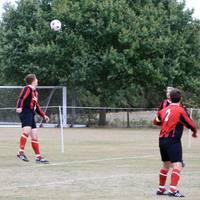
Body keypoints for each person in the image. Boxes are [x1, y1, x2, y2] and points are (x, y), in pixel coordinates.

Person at [153, 88, 198, 197]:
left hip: (162, 140)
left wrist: (165, 123)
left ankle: (161, 189)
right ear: (180, 98)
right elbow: (190, 124)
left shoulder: (163, 110)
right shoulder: (180, 110)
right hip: (172, 140)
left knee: (166, 164)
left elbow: (156, 121)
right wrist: (194, 132)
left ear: (170, 98)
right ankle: (173, 190)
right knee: (177, 164)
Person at [16, 74, 50, 164]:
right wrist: (19, 106)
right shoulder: (27, 88)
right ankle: (21, 152)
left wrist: (44, 115)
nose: (37, 80)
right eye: (36, 79)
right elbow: (21, 98)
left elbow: (36, 106)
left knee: (34, 136)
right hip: (26, 112)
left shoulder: (35, 92)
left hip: (31, 113)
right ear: (33, 80)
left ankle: (38, 158)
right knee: (26, 131)